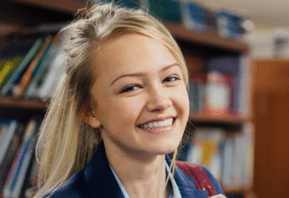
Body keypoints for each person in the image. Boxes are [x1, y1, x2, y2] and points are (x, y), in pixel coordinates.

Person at [34, 3, 226, 198]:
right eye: (131, 87)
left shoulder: (203, 181)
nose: (160, 102)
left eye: (170, 78)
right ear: (88, 111)